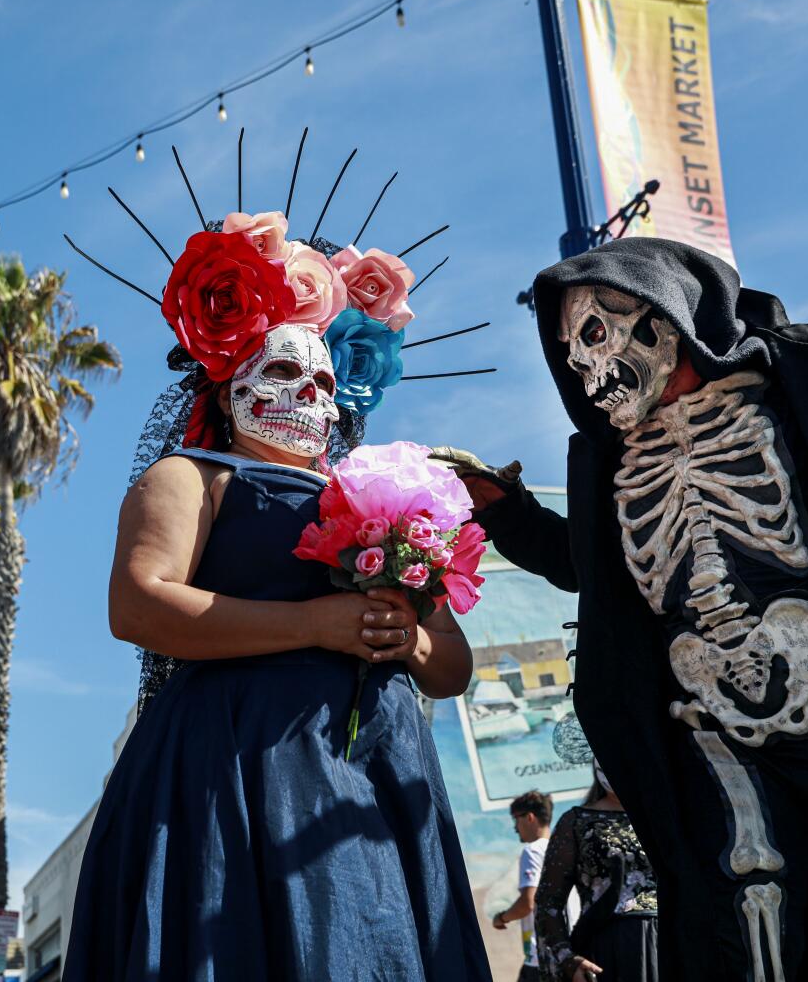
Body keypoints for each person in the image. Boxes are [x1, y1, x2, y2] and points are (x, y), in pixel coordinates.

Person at [443, 236, 808, 980]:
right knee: (747, 940)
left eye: (596, 334)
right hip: (725, 749)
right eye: (570, 352)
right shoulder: (607, 461)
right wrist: (505, 509)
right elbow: (591, 574)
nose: (586, 369)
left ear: (664, 315)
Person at [63, 199, 489, 979]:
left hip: (376, 776)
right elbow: (139, 604)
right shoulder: (190, 475)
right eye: (284, 369)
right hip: (233, 765)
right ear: (228, 390)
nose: (309, 391)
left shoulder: (387, 494)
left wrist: (414, 637)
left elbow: (452, 664)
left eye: (324, 378)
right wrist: (316, 624)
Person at [535, 766, 657, 982]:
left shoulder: (662, 818)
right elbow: (547, 903)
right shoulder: (576, 821)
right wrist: (568, 959)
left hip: (673, 945)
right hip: (612, 949)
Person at [493, 790, 553, 981]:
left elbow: (528, 903)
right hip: (564, 956)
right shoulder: (561, 848)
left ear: (529, 818)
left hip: (539, 960)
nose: (515, 828)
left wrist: (501, 917)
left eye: (516, 820)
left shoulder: (532, 851)